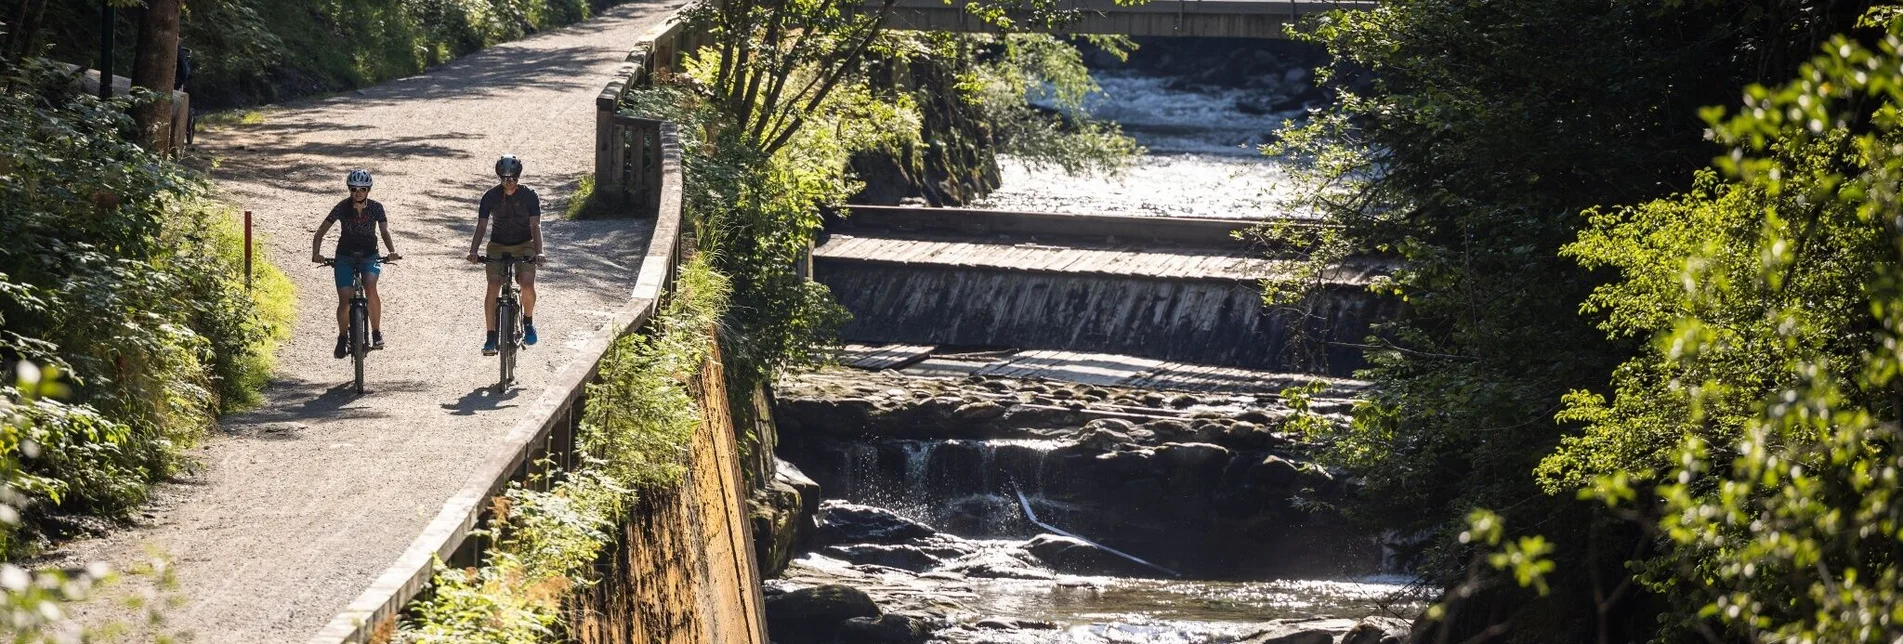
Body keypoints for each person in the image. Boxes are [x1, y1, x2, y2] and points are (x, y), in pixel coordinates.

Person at [312, 169, 401, 358]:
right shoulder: (341, 207)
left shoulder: (377, 208)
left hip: (370, 255)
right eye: (353, 188)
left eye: (362, 188)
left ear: (368, 190)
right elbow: (320, 231)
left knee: (370, 286)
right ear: (349, 189)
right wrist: (316, 253)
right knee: (345, 301)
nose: (358, 192)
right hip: (344, 256)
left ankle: (376, 332)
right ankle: (343, 337)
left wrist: (392, 251)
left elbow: (384, 231)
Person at [466, 154, 543, 356]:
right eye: (505, 178)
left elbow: (535, 225)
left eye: (513, 178)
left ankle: (528, 322)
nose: (509, 182)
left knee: (526, 283)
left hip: (524, 244)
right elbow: (482, 225)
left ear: (518, 177)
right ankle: (491, 337)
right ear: (499, 177)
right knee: (493, 285)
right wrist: (474, 250)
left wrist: (539, 252)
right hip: (498, 245)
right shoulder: (490, 197)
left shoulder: (529, 196)